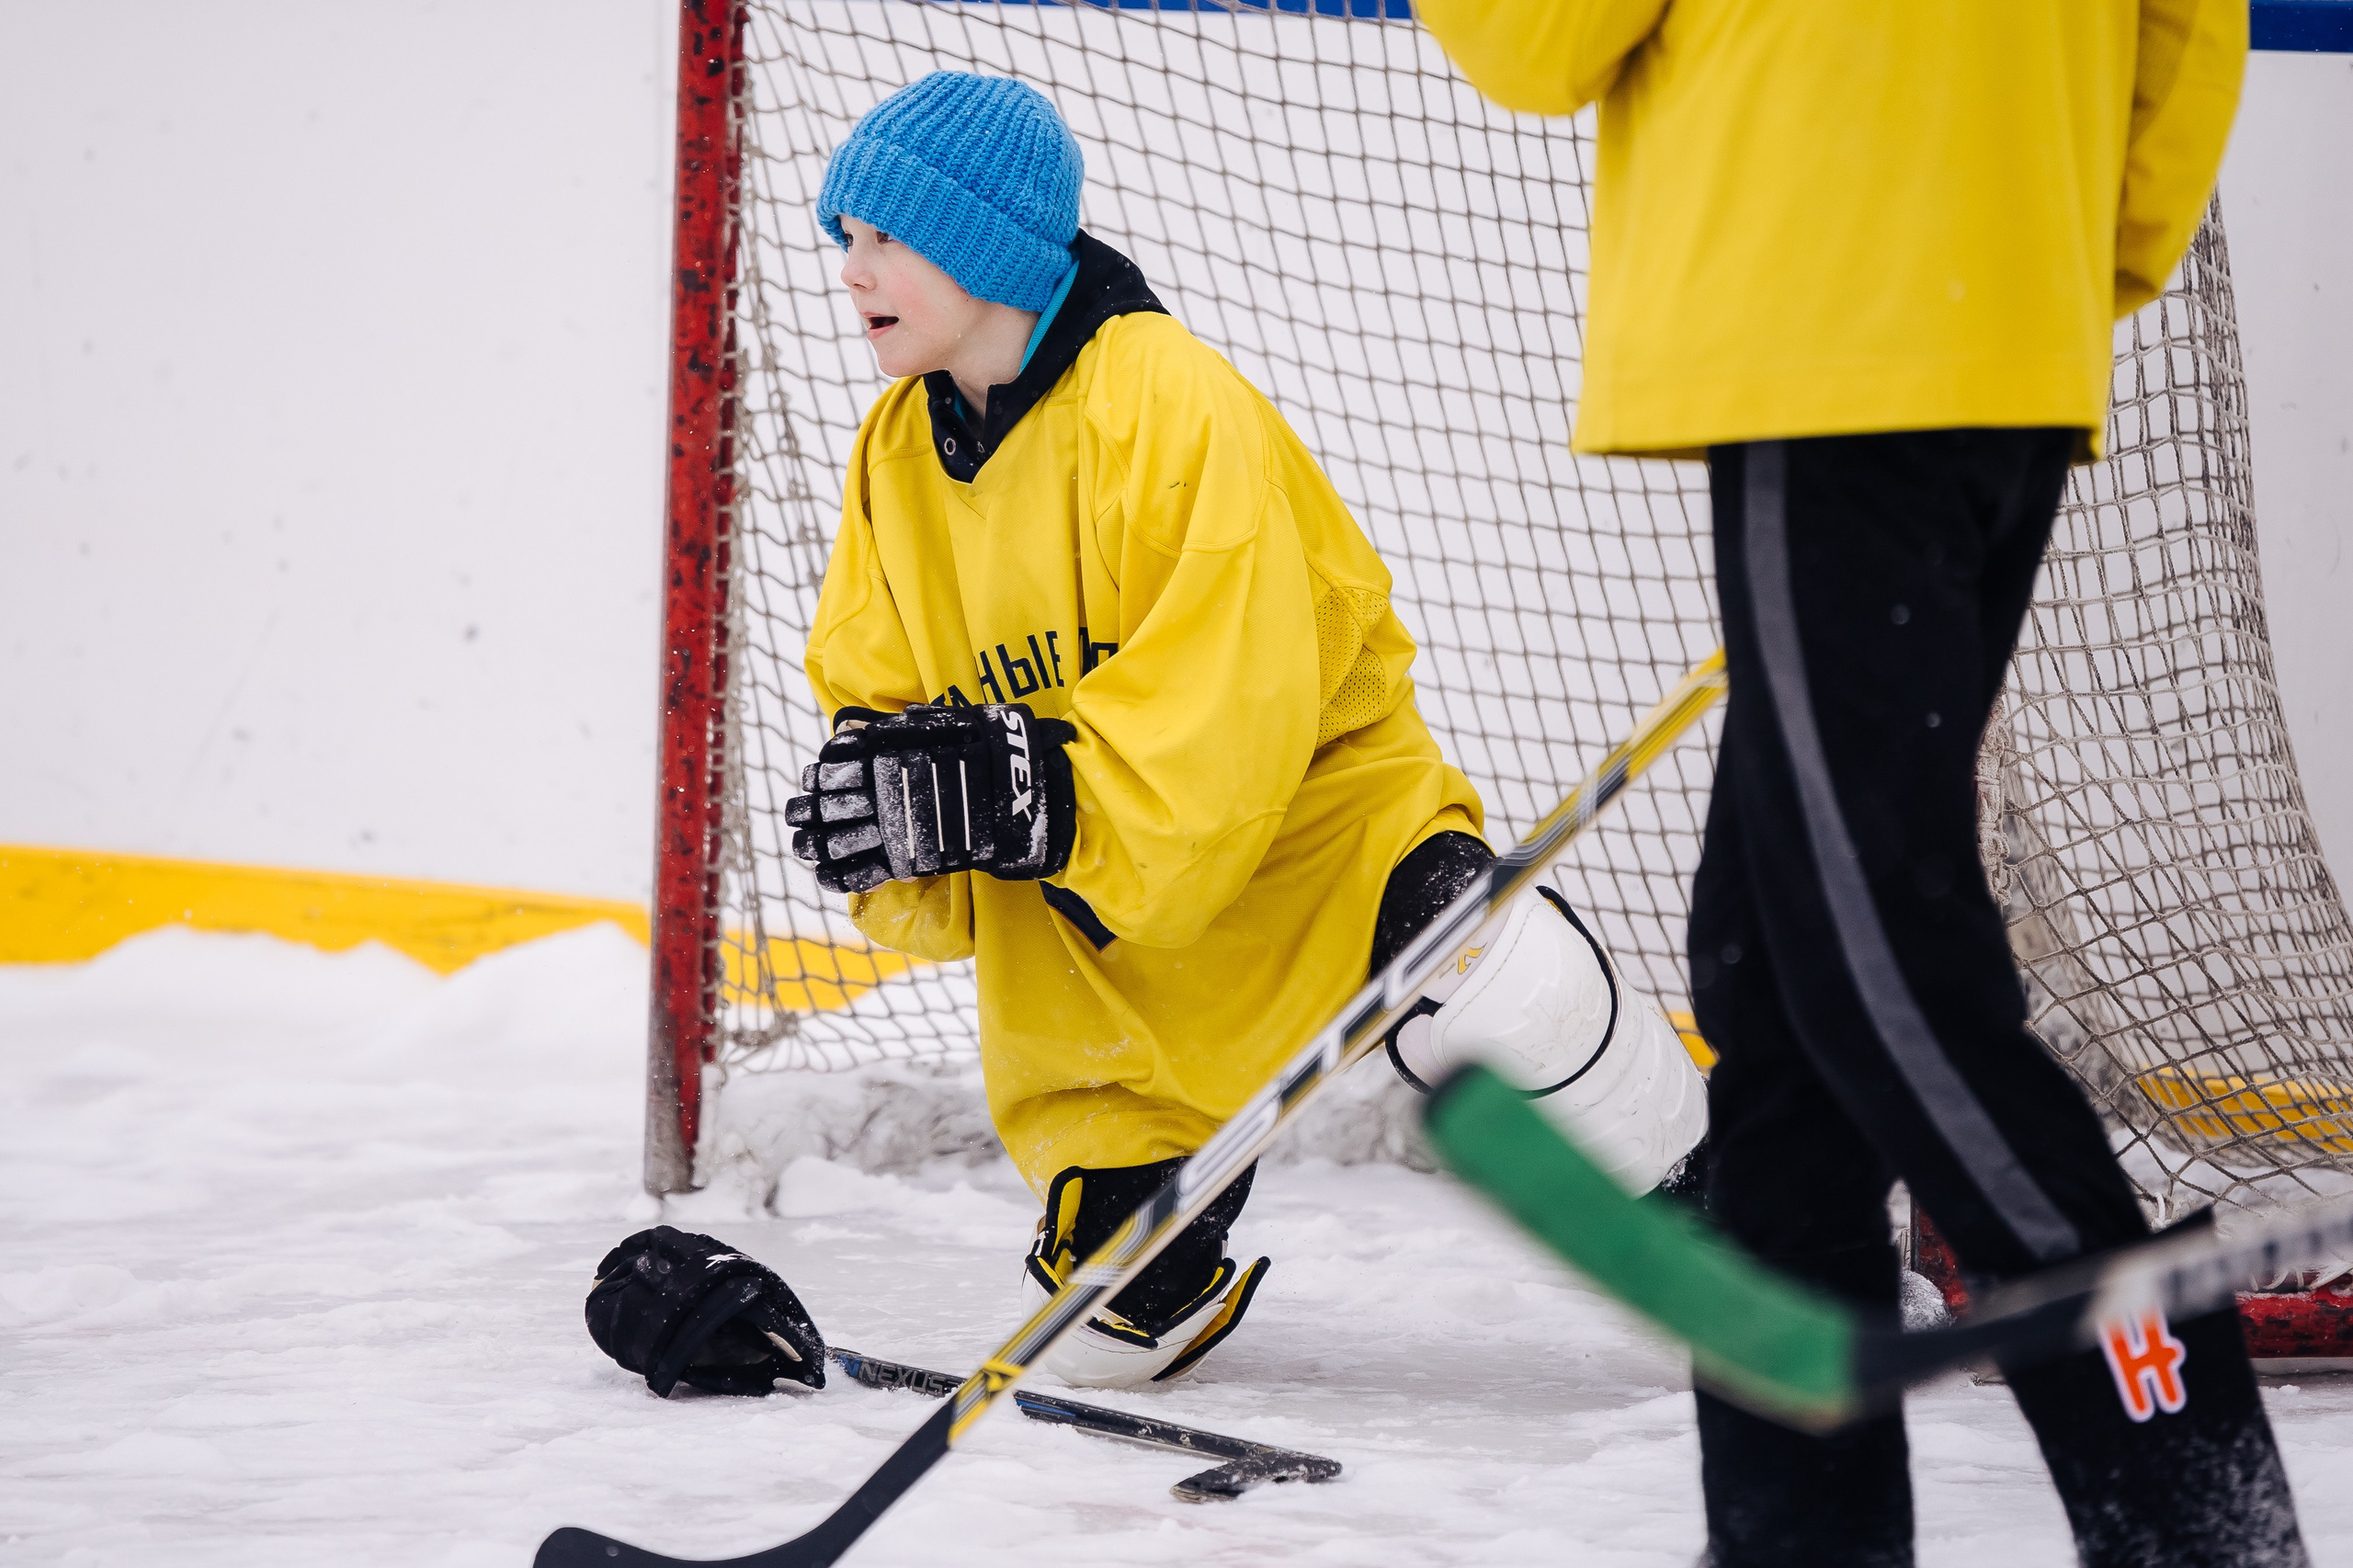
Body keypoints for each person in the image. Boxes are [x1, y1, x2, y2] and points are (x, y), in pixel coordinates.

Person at [1412, 1, 2302, 1563]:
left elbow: (1543, 37)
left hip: (1825, 320)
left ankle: (2199, 1513)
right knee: (1779, 1002)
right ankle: (1796, 1539)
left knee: (1881, 971)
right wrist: (2069, 240)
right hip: (2002, 311)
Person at [784, 71, 1707, 1390]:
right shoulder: (895, 454)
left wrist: (1023, 786)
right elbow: (875, 688)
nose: (852, 268)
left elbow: (1238, 713)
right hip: (1109, 965)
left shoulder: (1166, 400)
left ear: (983, 244)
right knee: (1104, 1344)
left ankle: (1724, 1213)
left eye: (885, 236)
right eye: (846, 238)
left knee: (1507, 979)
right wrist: (888, 826)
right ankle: (1163, 1260)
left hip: (1319, 847)